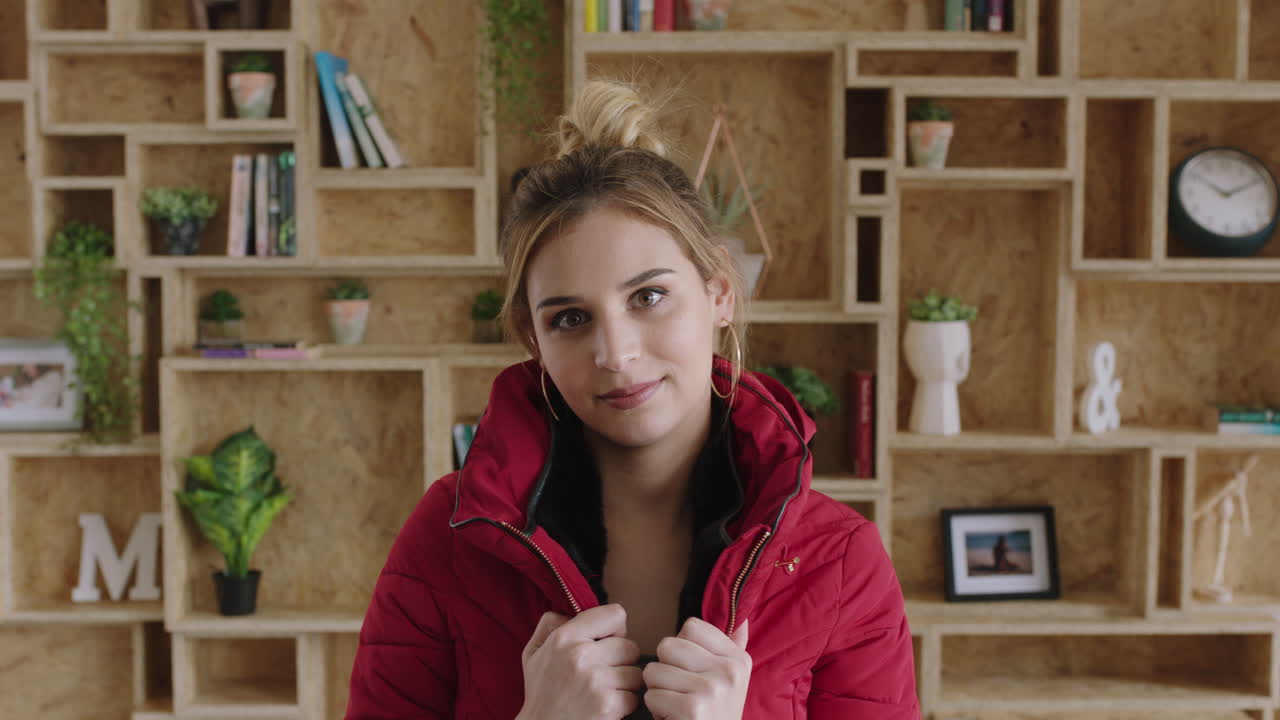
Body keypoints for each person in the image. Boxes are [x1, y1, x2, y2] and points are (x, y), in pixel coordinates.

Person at [345, 78, 919, 719]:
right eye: (569, 318)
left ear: (719, 294)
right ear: (533, 340)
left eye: (648, 297)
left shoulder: (841, 562)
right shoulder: (447, 539)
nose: (615, 354)